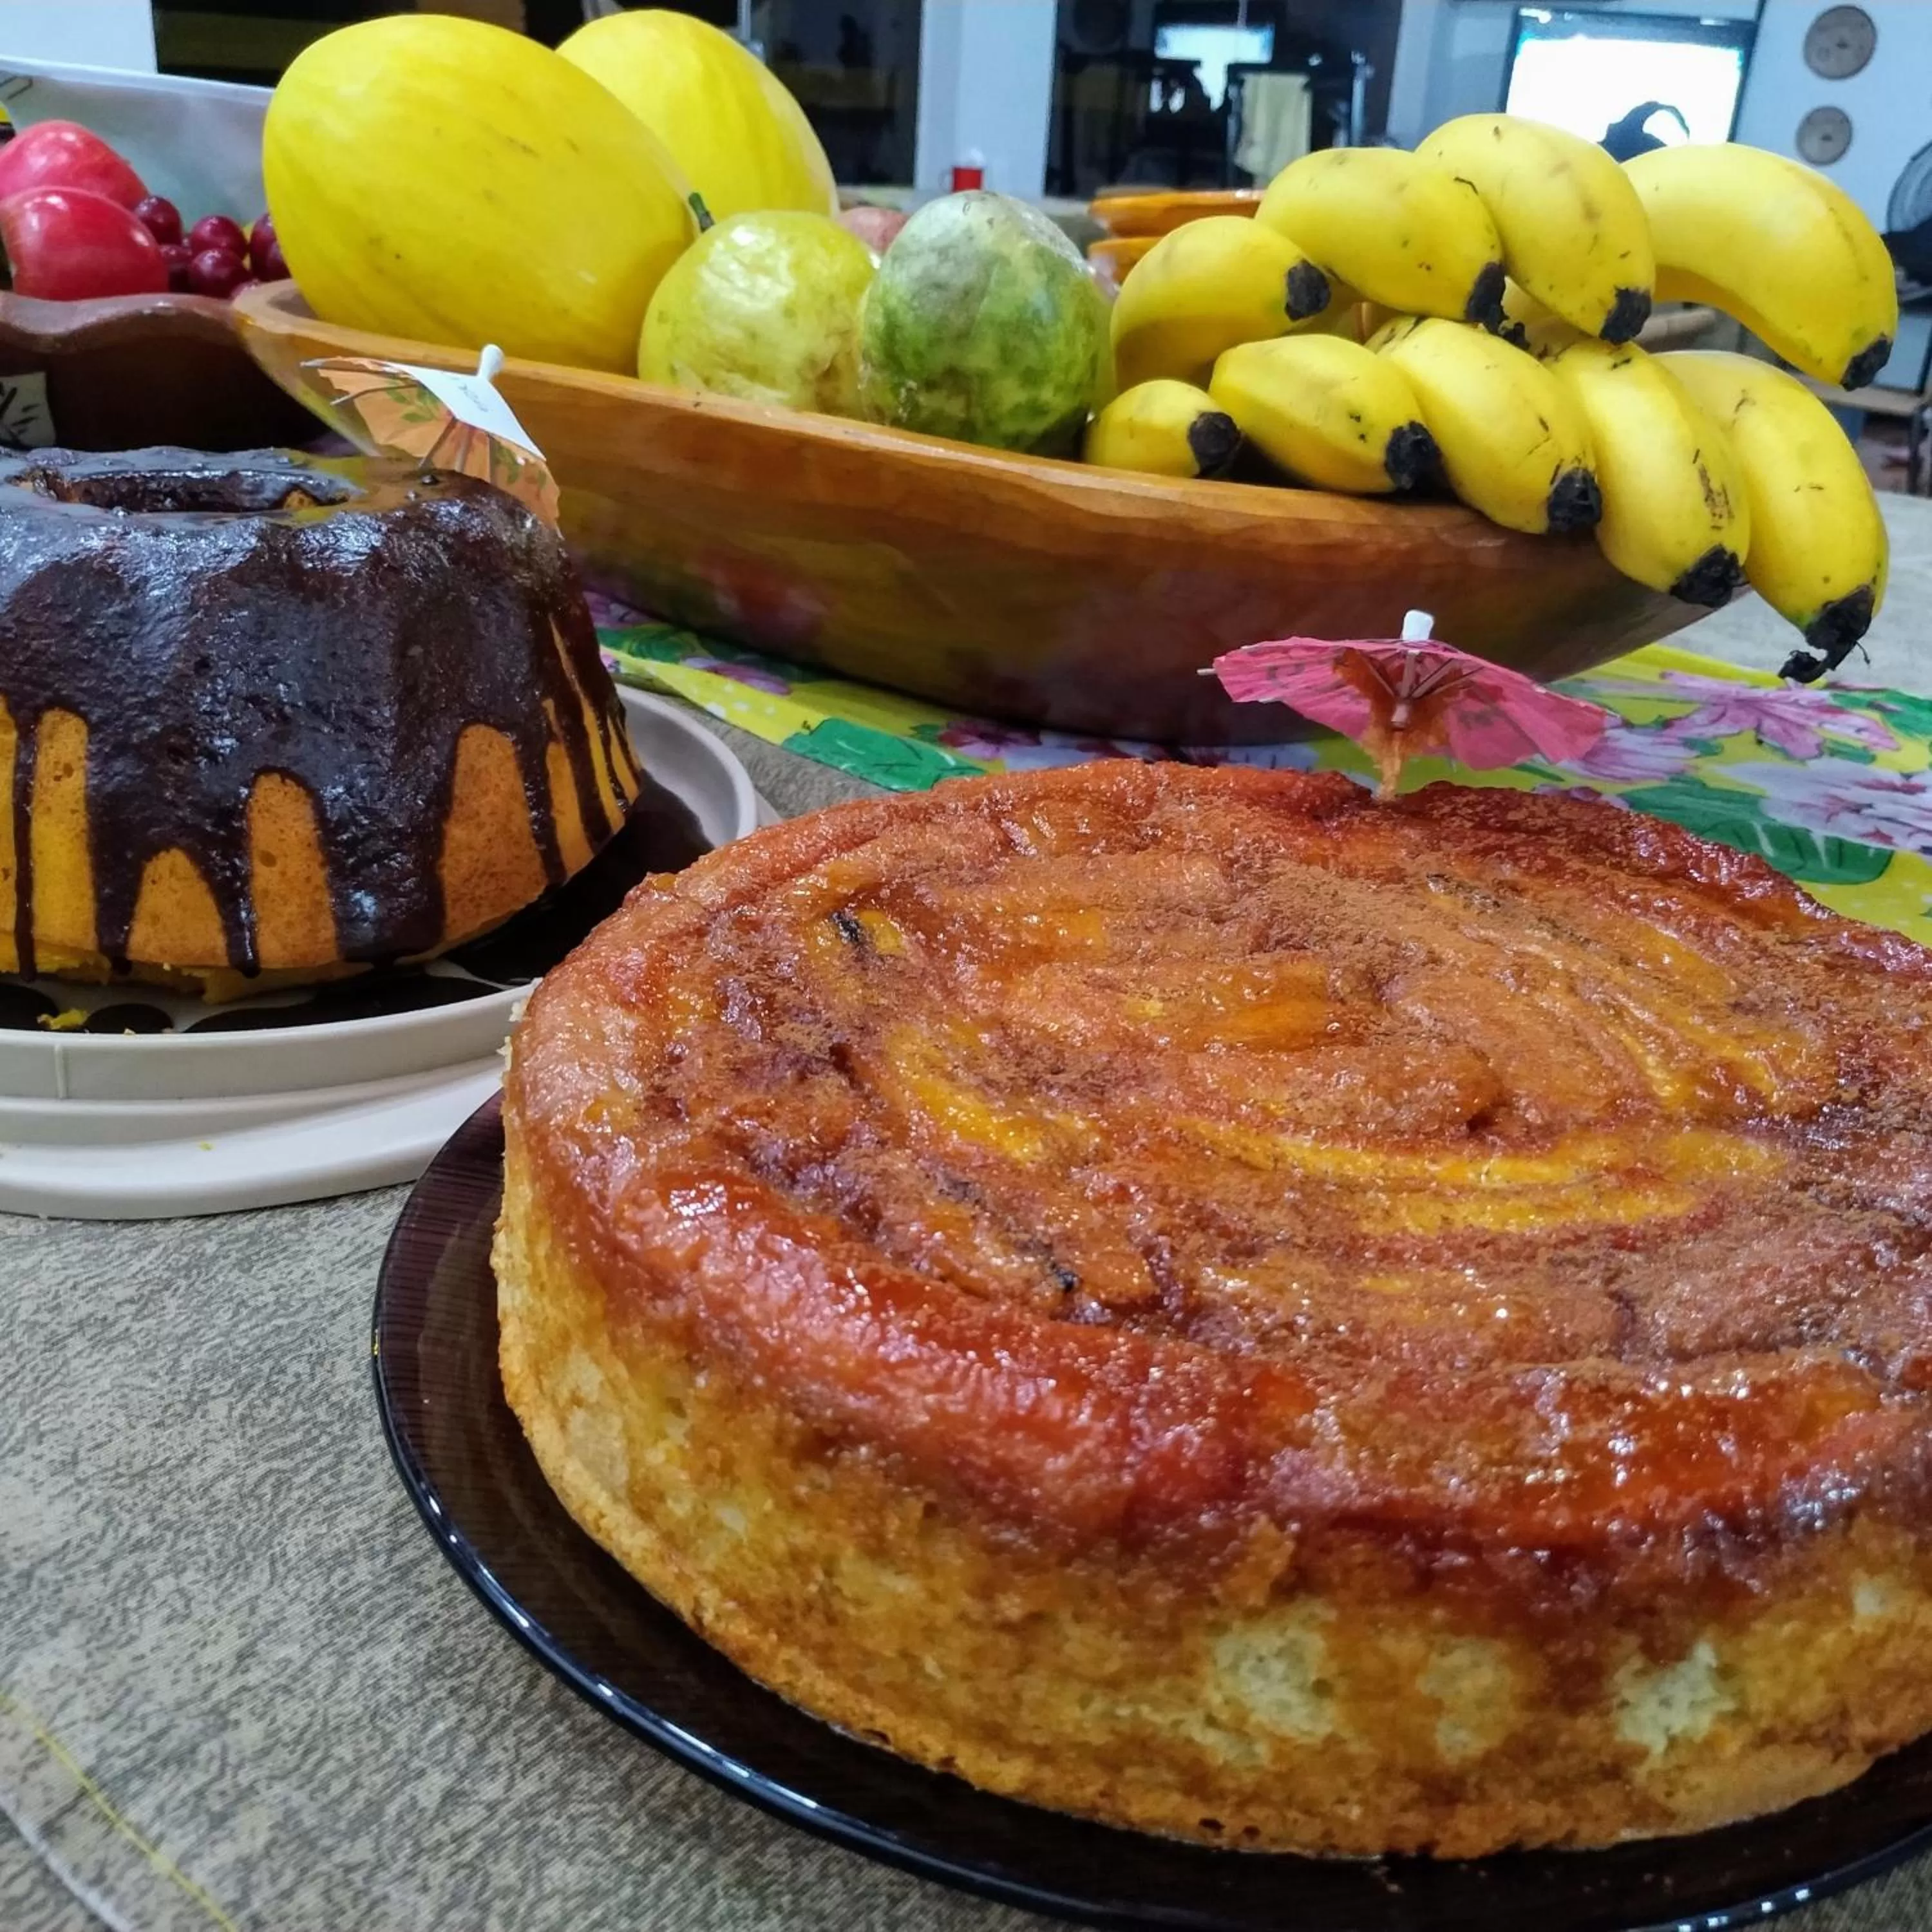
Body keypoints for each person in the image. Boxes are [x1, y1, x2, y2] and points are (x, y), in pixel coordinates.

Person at [1601, 100, 1689, 162]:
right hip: (1654, 160)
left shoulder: (1624, 130)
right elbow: (1655, 107)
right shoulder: (1624, 129)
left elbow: (1653, 108)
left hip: (1649, 159)